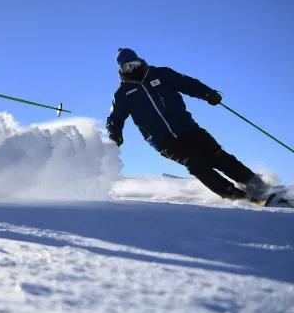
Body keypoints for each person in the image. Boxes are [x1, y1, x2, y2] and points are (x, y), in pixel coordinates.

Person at [106, 48, 270, 200]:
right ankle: (233, 194)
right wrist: (115, 134)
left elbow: (187, 84)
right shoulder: (123, 94)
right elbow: (115, 118)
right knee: (195, 163)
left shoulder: (161, 74)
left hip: (189, 129)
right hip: (164, 141)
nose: (131, 70)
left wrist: (207, 93)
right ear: (121, 71)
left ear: (139, 61)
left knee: (219, 156)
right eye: (126, 68)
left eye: (133, 65)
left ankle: (260, 187)